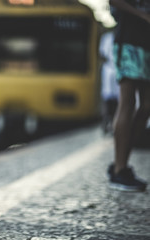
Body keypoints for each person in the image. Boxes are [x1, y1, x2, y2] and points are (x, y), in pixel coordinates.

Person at [107, 0, 150, 192]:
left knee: (147, 105)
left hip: (147, 43)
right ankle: (120, 168)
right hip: (130, 41)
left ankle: (120, 163)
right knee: (128, 102)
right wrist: (142, 15)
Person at [99, 30, 119, 134]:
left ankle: (114, 122)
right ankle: (106, 122)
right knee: (107, 98)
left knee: (118, 100)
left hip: (118, 69)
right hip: (109, 70)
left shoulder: (121, 35)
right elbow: (102, 54)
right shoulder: (106, 37)